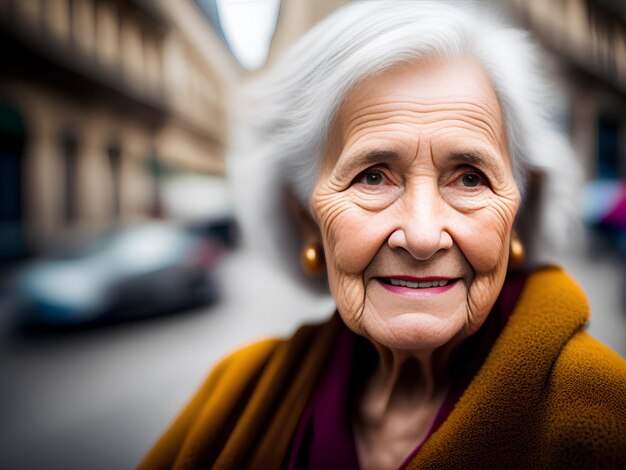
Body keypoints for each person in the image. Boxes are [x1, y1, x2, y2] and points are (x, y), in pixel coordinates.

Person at [139, 1, 626, 468]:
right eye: (373, 176)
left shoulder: (605, 418)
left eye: (469, 178)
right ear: (306, 216)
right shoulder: (237, 393)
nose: (421, 235)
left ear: (515, 219)